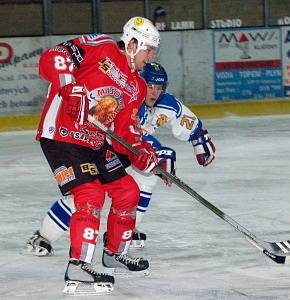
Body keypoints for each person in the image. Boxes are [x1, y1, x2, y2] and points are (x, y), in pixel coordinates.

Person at [27, 62, 216, 257]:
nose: (154, 93)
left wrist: (200, 138)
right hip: (104, 150)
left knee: (144, 180)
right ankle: (43, 237)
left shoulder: (165, 103)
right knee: (85, 196)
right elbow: (112, 131)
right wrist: (156, 152)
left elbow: (183, 117)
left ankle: (126, 230)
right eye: (150, 86)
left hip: (133, 154)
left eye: (159, 88)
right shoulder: (123, 96)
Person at [35, 17, 163, 295]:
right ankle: (78, 264)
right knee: (90, 194)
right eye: (148, 49)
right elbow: (53, 56)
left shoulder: (137, 86)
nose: (151, 57)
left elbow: (125, 131)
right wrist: (69, 87)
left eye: (154, 51)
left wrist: (140, 151)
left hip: (95, 142)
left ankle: (114, 253)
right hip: (62, 135)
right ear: (132, 43)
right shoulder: (101, 47)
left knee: (128, 191)